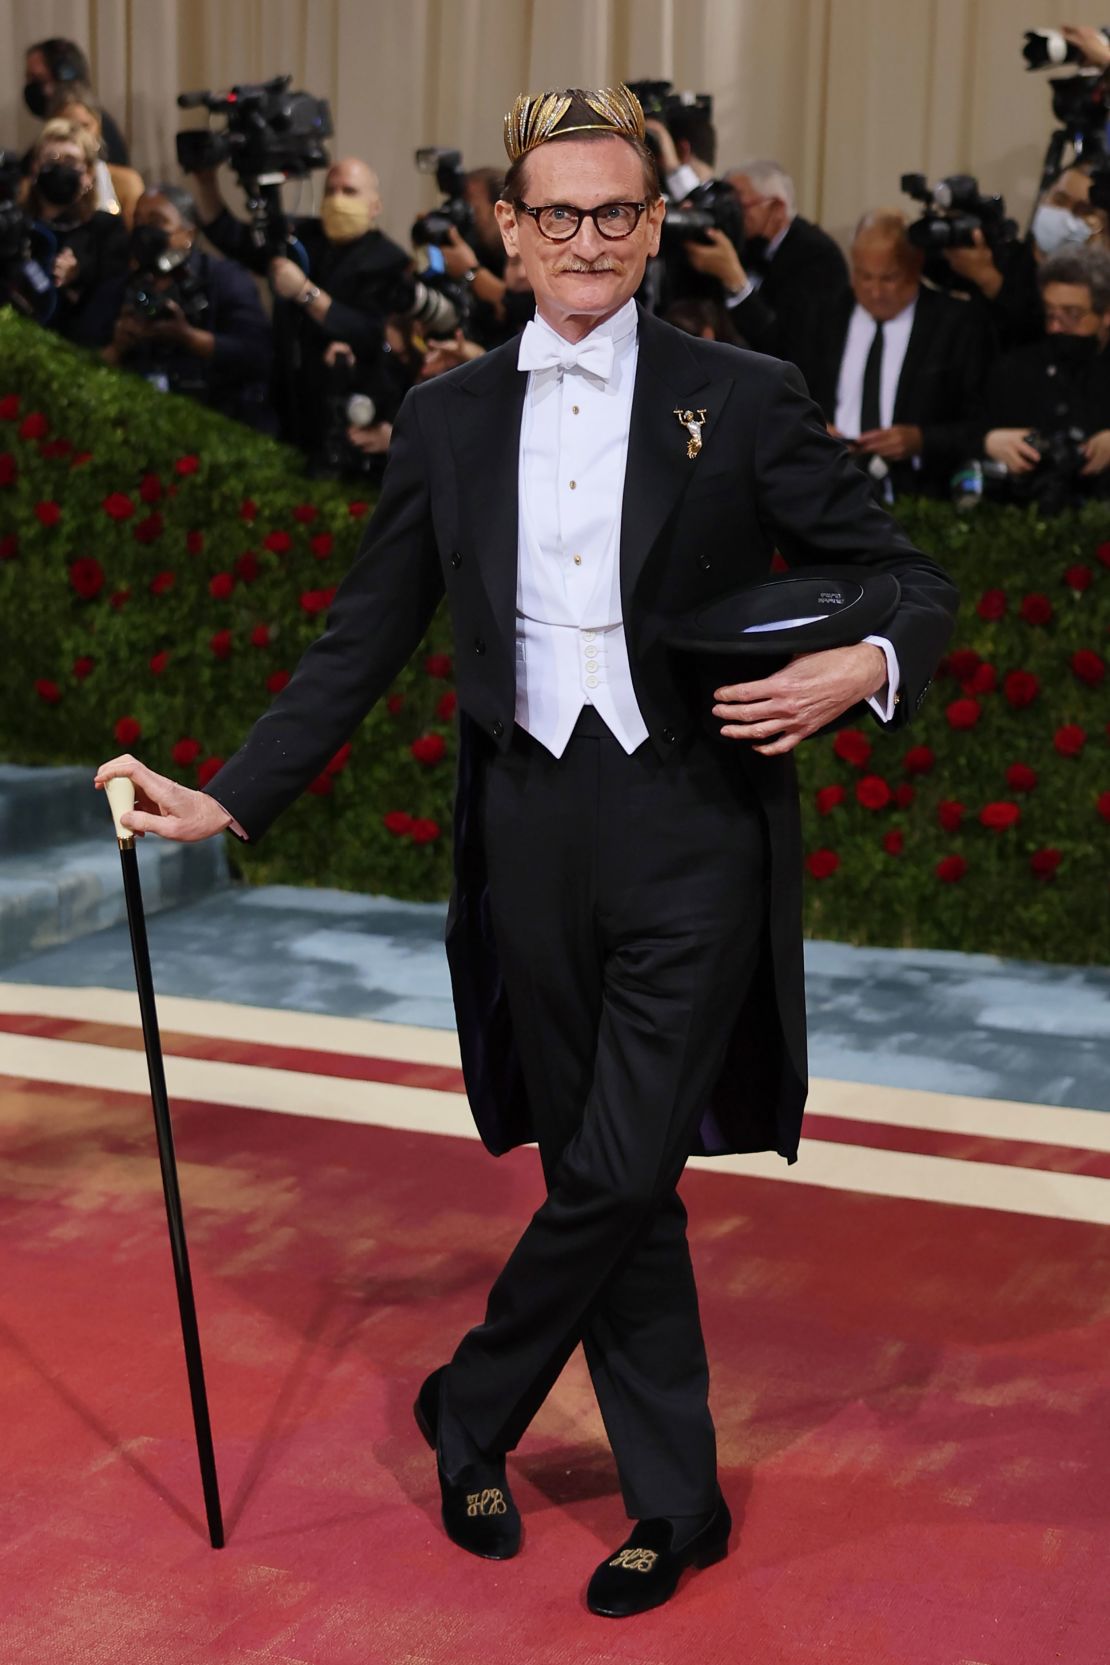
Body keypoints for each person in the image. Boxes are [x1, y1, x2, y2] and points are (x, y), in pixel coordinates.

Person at [95, 83, 957, 1619]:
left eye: (614, 212)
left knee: (625, 1157)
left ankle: (471, 1404)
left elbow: (902, 577)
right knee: (599, 1174)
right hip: (528, 835)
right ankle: (672, 1502)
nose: (585, 239)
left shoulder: (739, 393)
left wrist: (861, 665)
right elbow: (362, 637)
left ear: (651, 223)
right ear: (508, 226)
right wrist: (229, 797)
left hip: (692, 827)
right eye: (553, 212)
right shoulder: (446, 416)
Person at [190, 157, 417, 463]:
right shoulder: (302, 240)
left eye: (349, 192)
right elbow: (231, 236)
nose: (338, 200)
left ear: (374, 206)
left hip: (349, 410)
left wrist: (305, 292)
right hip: (288, 399)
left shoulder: (390, 261)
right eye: (330, 191)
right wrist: (206, 183)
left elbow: (371, 333)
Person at [796, 209, 992, 499]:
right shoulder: (824, 315)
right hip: (828, 488)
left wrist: (921, 440)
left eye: (888, 278)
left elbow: (982, 423)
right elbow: (791, 396)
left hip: (919, 497)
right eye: (864, 277)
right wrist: (816, 428)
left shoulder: (955, 325)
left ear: (916, 267)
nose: (875, 291)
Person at [96, 186, 276, 434]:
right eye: (137, 221)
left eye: (157, 221)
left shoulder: (226, 279)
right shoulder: (120, 287)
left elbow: (258, 355)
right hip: (139, 425)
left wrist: (188, 338)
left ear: (188, 233)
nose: (143, 230)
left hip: (216, 424)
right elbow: (86, 361)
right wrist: (118, 346)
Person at [973, 243, 1110, 504]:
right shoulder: (1014, 369)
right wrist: (989, 441)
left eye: (1072, 314)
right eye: (1050, 313)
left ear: (1106, 314)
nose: (1056, 326)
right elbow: (968, 428)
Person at [716, 159, 850, 360]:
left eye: (739, 207)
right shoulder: (746, 246)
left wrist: (736, 282)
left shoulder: (817, 256)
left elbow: (793, 347)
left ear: (777, 208)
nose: (730, 216)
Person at [21, 118, 128, 346]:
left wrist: (78, 277)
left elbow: (111, 297)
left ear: (88, 175)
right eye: (51, 159)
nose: (60, 167)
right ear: (34, 168)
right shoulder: (17, 225)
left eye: (70, 161)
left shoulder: (106, 231)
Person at [643, 102, 746, 308]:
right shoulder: (655, 196)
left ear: (682, 149)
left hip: (699, 324)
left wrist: (674, 169)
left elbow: (708, 227)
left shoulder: (725, 199)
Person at [22, 37, 129, 166]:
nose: (31, 86)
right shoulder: (73, 114)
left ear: (63, 76)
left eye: (37, 78)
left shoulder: (76, 118)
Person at [47, 85, 144, 227]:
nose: (79, 135)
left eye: (85, 126)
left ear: (98, 126)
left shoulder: (126, 182)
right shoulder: (34, 184)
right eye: (69, 127)